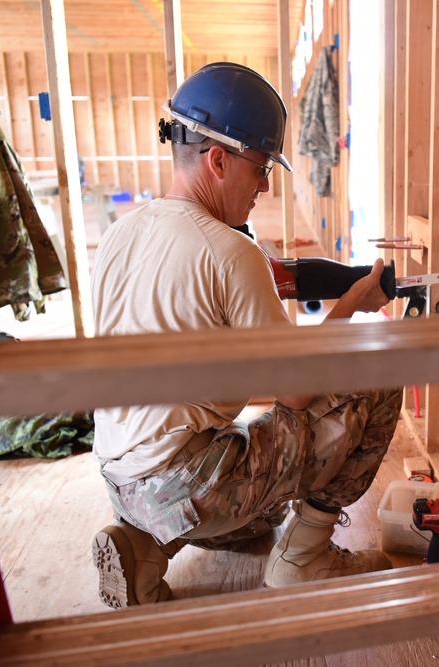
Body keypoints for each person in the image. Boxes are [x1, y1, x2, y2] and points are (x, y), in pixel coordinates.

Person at [89, 62, 403, 608]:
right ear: (217, 159)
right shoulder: (230, 252)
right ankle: (305, 560)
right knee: (379, 373)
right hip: (186, 483)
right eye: (260, 167)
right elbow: (299, 394)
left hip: (121, 477)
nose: (263, 185)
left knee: (265, 513)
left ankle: (142, 549)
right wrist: (352, 303)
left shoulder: (121, 233)